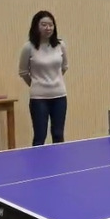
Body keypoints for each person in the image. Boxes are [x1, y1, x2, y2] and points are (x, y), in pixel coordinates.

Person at [18, 10, 68, 146]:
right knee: (40, 136)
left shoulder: (60, 45)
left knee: (58, 134)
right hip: (39, 98)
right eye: (44, 25)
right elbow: (23, 72)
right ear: (36, 26)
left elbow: (64, 67)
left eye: (51, 25)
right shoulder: (28, 47)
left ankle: (59, 160)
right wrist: (37, 84)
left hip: (59, 96)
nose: (48, 28)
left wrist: (54, 80)